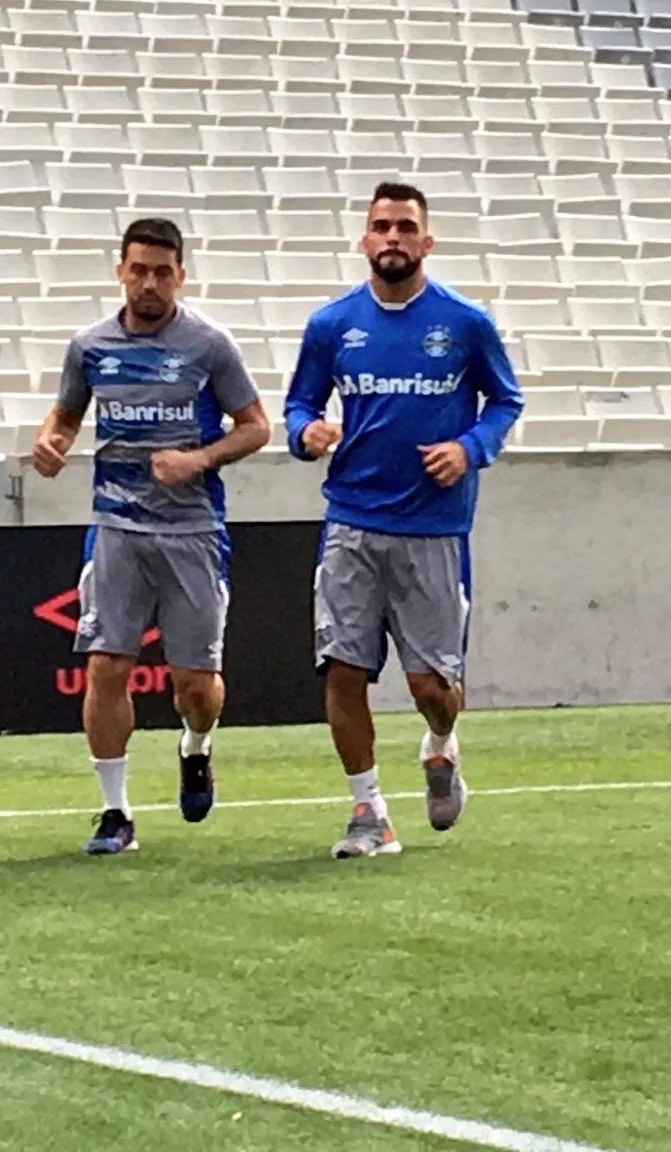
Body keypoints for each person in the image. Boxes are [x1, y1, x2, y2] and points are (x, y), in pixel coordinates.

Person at [282, 181, 525, 860]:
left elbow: (505, 401)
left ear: (426, 240)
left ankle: (441, 744)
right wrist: (306, 434)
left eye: (405, 227)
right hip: (351, 523)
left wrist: (469, 448)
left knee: (432, 688)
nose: (392, 238)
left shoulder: (464, 323)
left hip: (433, 529)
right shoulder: (332, 325)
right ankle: (368, 813)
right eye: (381, 226)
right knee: (342, 672)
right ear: (364, 239)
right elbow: (297, 405)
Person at [31, 217, 271, 855]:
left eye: (162, 272)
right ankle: (114, 811)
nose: (149, 283)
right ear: (120, 271)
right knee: (106, 666)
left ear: (180, 276)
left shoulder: (208, 346)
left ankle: (196, 745)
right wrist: (51, 441)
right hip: (115, 526)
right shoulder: (90, 346)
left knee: (194, 685)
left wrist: (197, 460)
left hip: (192, 530)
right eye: (138, 269)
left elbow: (255, 427)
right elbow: (65, 414)